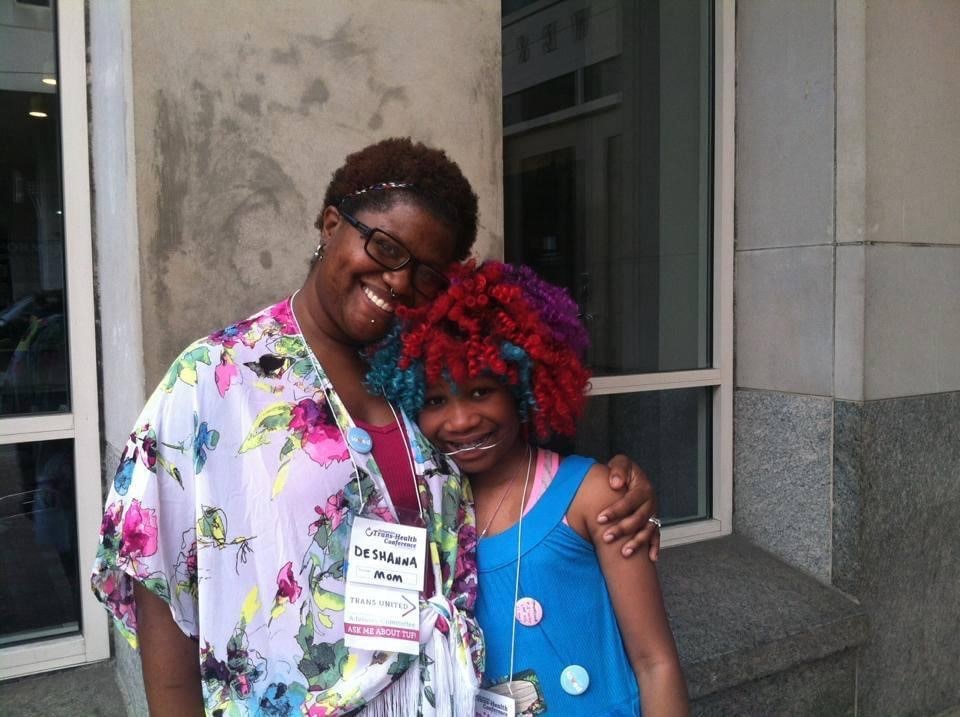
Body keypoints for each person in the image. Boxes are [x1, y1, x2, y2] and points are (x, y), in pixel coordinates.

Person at [91, 138, 659, 717]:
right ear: (331, 224)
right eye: (385, 247)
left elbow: (514, 464)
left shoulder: (422, 370)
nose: (400, 282)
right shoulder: (212, 380)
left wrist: (617, 486)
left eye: (428, 274)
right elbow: (157, 578)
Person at [367, 260, 688, 716]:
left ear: (523, 388)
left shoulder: (593, 495)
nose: (460, 421)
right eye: (435, 400)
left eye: (481, 391)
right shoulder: (430, 513)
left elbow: (655, 662)